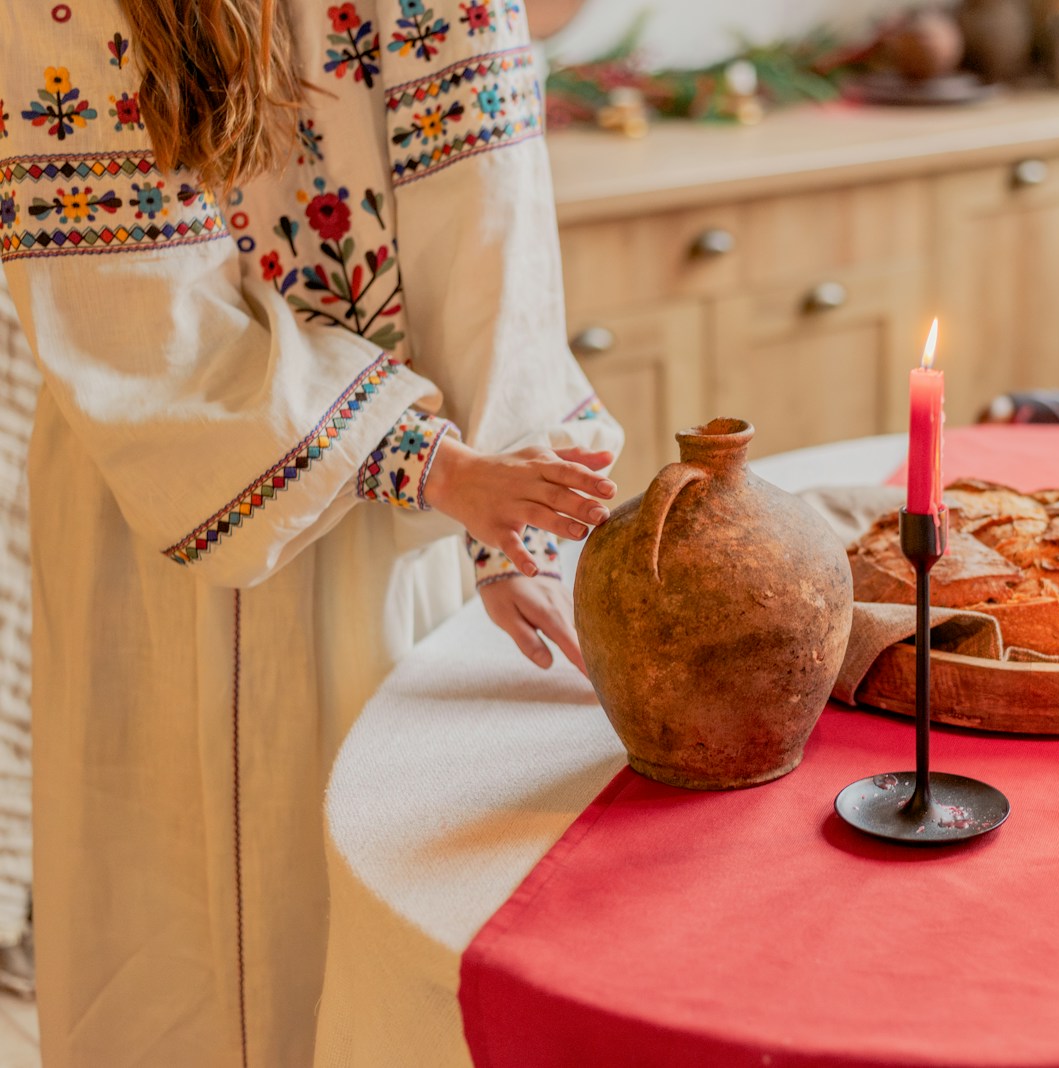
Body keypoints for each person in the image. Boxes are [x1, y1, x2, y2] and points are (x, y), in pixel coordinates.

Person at [0, 0, 624, 1059]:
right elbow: (132, 314)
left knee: (382, 925)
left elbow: (490, 220)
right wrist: (431, 463)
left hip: (415, 518)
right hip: (167, 518)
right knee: (176, 942)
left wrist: (514, 521)